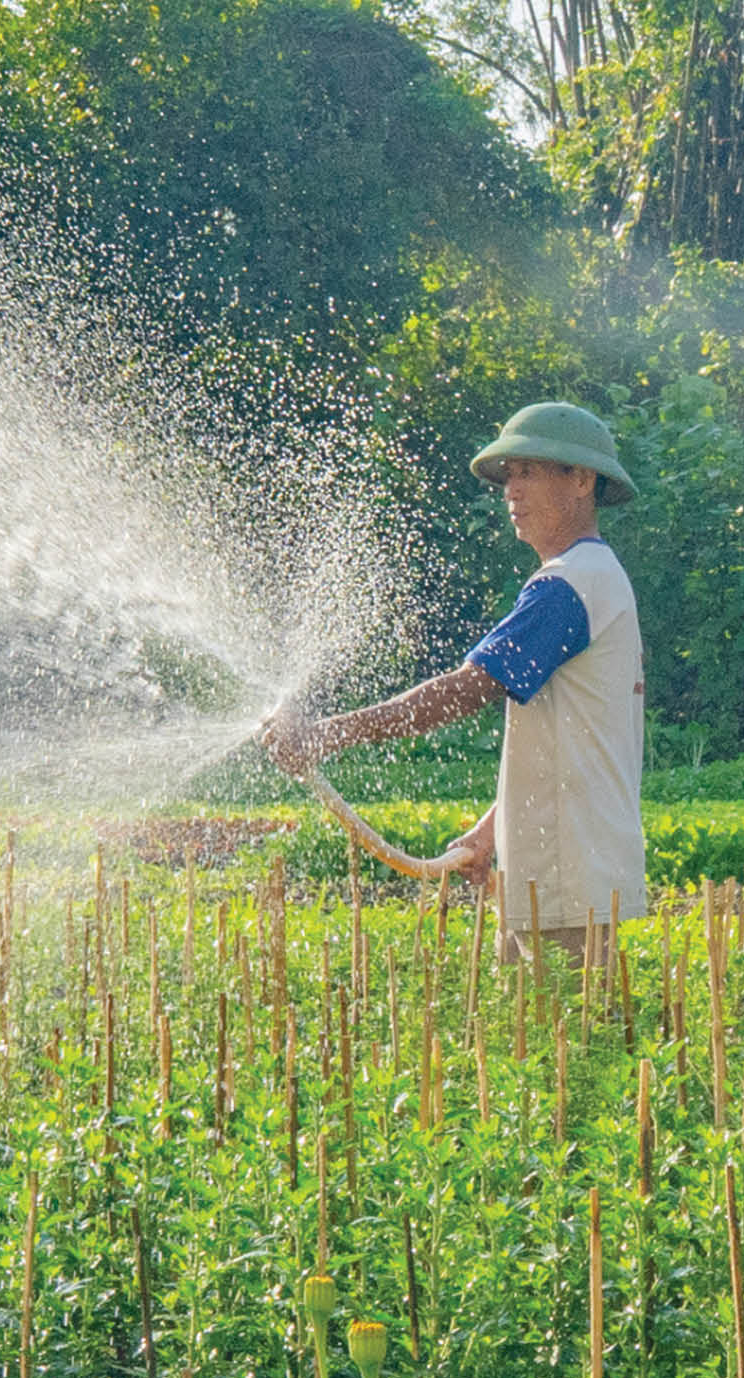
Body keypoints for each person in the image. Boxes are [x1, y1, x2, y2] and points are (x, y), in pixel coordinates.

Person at [262, 400, 647, 964]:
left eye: (530, 472)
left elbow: (468, 688)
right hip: (559, 872)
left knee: (562, 1037)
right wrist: (492, 831)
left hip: (565, 880)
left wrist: (325, 736)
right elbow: (571, 741)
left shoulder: (570, 586)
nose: (511, 491)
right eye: (508, 476)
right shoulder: (594, 579)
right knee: (543, 1037)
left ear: (582, 479)